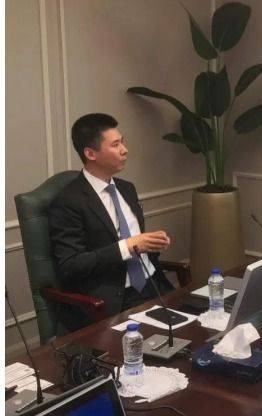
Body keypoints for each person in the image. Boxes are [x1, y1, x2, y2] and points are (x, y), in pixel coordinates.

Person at [49, 113, 174, 327]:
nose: (125, 150)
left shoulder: (127, 189)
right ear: (90, 153)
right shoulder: (68, 201)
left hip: (155, 284)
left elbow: (136, 243)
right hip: (115, 300)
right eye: (115, 145)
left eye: (122, 142)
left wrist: (152, 243)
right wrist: (127, 246)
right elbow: (71, 265)